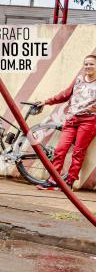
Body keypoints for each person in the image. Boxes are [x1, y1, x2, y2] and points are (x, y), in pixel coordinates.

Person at [33, 53, 96, 190]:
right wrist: (46, 101)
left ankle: (69, 181)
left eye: (91, 64)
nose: (88, 66)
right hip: (71, 120)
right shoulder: (79, 80)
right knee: (60, 150)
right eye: (86, 64)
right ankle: (53, 180)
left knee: (78, 152)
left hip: (88, 122)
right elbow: (65, 94)